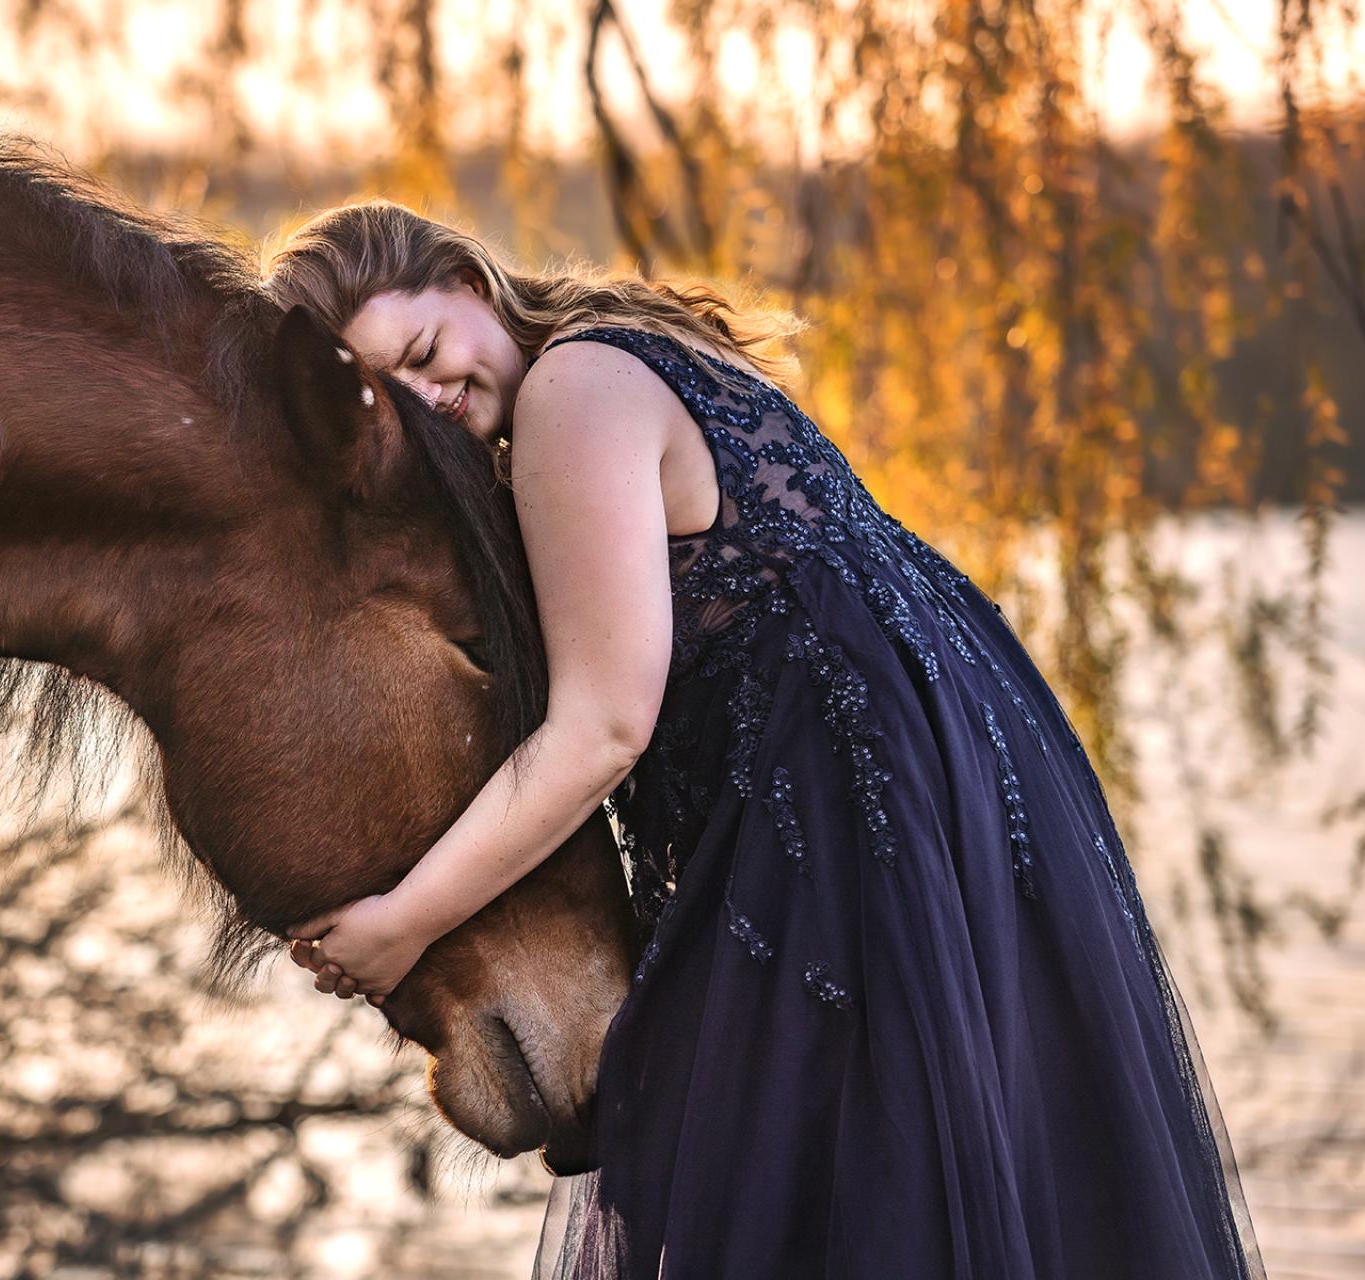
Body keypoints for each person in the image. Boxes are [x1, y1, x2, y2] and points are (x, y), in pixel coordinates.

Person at [264, 199, 1266, 1279]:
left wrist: (403, 924)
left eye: (423, 350)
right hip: (947, 775)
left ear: (468, 278)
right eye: (394, 395)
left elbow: (604, 724)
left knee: (837, 1205)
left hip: (840, 819)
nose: (430, 396)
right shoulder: (639, 345)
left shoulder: (573, 389)